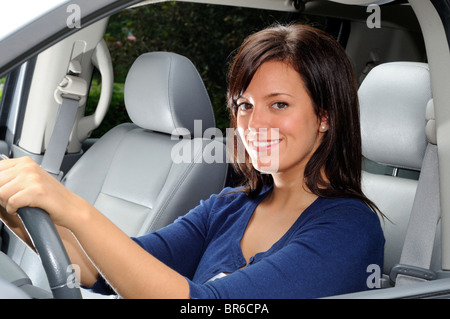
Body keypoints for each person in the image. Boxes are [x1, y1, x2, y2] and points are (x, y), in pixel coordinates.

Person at [0, 24, 385, 299]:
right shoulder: (228, 206)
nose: (255, 124)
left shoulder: (350, 228)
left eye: (279, 104)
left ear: (325, 116)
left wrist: (71, 207)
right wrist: (16, 213)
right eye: (244, 105)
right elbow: (101, 271)